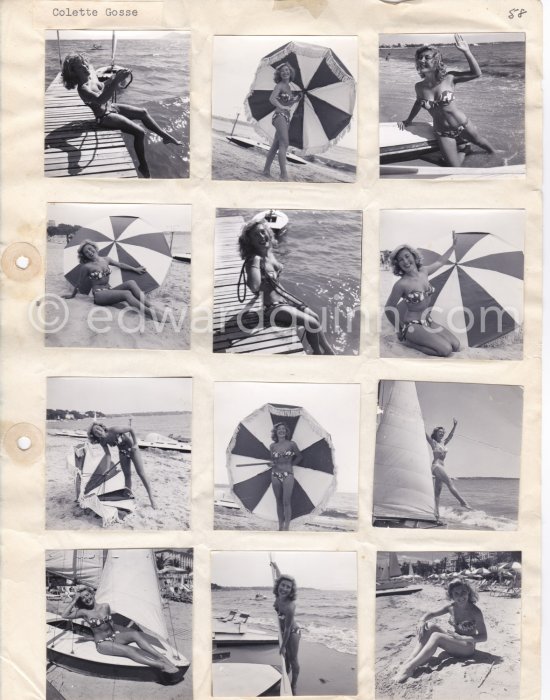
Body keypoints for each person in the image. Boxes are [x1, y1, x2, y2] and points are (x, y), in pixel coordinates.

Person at [61, 52, 181, 178]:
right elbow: (100, 100)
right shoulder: (83, 88)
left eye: (84, 64)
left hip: (111, 107)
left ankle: (165, 137)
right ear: (73, 72)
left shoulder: (92, 79)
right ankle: (143, 166)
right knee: (140, 132)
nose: (85, 67)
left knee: (143, 112)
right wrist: (116, 82)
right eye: (80, 67)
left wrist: (115, 77)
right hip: (104, 117)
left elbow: (103, 86)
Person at [238, 218, 334, 354]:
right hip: (272, 308)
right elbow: (254, 286)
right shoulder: (255, 259)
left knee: (316, 318)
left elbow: (275, 282)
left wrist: (289, 298)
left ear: (268, 233)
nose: (261, 236)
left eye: (262, 232)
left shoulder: (269, 254)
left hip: (285, 301)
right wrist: (255, 263)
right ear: (250, 242)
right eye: (256, 235)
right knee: (311, 323)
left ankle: (327, 351)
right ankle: (319, 354)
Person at [398, 35, 495, 167]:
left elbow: (477, 74)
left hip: (463, 125)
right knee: (455, 168)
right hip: (442, 132)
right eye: (420, 58)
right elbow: (418, 103)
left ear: (436, 60)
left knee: (490, 151)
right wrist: (408, 120)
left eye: (427, 57)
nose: (422, 60)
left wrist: (467, 51)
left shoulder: (450, 78)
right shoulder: (419, 86)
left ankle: (500, 163)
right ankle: (465, 149)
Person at [61, 585, 180, 682]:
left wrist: (122, 632)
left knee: (135, 634)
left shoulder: (105, 606)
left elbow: (111, 624)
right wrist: (75, 599)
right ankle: (160, 666)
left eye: (87, 595)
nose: (86, 598)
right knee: (129, 650)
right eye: (83, 598)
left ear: (92, 594)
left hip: (113, 637)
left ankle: (162, 658)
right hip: (103, 643)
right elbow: (64, 615)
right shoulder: (84, 612)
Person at [397, 578, 487, 683]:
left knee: (437, 636)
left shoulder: (475, 611)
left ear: (468, 592)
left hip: (467, 648)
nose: (461, 596)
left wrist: (463, 637)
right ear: (452, 596)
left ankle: (408, 669)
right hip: (456, 641)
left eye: (463, 592)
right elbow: (432, 614)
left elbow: (483, 636)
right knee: (429, 626)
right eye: (456, 593)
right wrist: (421, 620)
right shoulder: (451, 607)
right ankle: (411, 659)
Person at [384, 238, 460, 357]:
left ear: (414, 256)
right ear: (398, 264)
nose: (405, 261)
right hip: (412, 326)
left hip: (428, 321)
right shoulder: (401, 284)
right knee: (445, 350)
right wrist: (399, 328)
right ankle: (407, 342)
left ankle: (418, 339)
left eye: (407, 256)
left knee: (456, 345)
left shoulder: (424, 271)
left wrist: (453, 247)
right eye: (400, 260)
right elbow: (389, 308)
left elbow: (440, 262)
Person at [63, 240, 164, 321]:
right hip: (99, 295)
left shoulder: (106, 259)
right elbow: (79, 283)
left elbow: (120, 264)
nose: (89, 252)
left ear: (94, 247)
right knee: (126, 294)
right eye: (86, 252)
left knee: (131, 282)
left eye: (90, 249)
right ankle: (150, 313)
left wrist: (135, 269)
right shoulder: (86, 267)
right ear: (84, 255)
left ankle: (151, 306)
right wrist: (72, 295)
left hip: (109, 291)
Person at [88, 421, 156, 508]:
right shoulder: (102, 441)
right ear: (94, 436)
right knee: (127, 475)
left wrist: (135, 444)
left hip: (133, 450)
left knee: (141, 474)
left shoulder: (114, 430)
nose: (98, 431)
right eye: (95, 432)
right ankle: (128, 495)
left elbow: (130, 429)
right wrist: (107, 468)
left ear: (101, 427)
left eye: (98, 428)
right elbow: (108, 454)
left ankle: (151, 498)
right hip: (122, 452)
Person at [262, 62, 302, 180]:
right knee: (284, 143)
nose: (285, 72)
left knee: (275, 146)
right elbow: (272, 99)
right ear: (280, 73)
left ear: (290, 73)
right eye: (283, 71)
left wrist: (296, 99)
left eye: (287, 70)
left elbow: (287, 102)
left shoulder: (289, 88)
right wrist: (283, 107)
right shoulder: (279, 85)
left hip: (286, 117)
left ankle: (266, 170)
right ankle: (283, 174)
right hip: (279, 116)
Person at [426, 420, 471, 517]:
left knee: (437, 492)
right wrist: (420, 422)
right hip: (436, 466)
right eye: (440, 432)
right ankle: (462, 501)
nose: (442, 433)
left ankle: (436, 514)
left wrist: (455, 426)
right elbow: (425, 434)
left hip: (442, 467)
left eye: (443, 432)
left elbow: (450, 436)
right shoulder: (433, 442)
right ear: (436, 433)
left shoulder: (443, 443)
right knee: (450, 482)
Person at [270, 561, 300, 694]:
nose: (285, 589)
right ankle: (286, 676)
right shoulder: (278, 595)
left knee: (293, 659)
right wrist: (276, 566)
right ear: (279, 586)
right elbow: (279, 576)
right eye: (283, 585)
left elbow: (288, 629)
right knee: (286, 659)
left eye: (288, 587)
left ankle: (293, 685)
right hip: (283, 631)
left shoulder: (290, 606)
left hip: (292, 632)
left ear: (291, 590)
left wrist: (282, 646)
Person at [269, 423, 303, 531]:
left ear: (286, 432)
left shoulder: (292, 444)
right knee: (278, 501)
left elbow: (299, 456)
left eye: (283, 429)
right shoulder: (272, 446)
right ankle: (280, 526)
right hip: (275, 474)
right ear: (276, 432)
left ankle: (286, 527)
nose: (281, 431)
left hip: (288, 474)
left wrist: (291, 465)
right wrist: (271, 464)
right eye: (279, 429)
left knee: (286, 501)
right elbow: (273, 461)